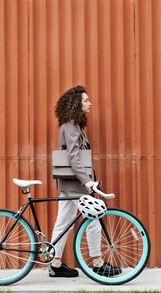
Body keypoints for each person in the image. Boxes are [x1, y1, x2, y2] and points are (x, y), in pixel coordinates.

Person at [48, 85, 121, 278]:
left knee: (63, 223)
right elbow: (73, 157)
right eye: (86, 100)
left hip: (70, 184)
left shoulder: (74, 125)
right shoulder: (71, 125)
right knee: (93, 218)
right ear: (76, 104)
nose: (90, 103)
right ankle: (97, 263)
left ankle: (55, 263)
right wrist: (87, 181)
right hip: (75, 184)